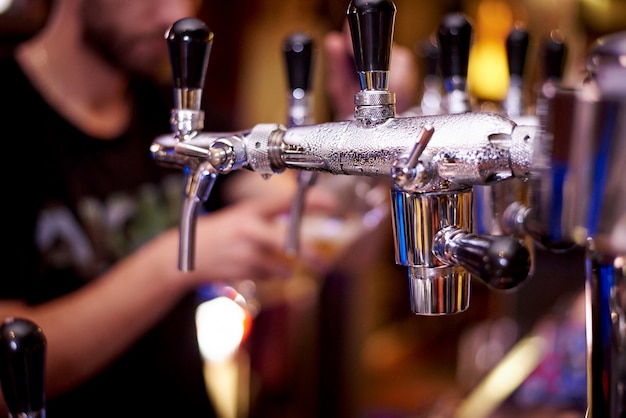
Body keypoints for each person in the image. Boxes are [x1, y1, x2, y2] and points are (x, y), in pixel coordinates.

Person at [0, 0, 338, 416]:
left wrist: (375, 148)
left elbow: (317, 222)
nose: (173, 15)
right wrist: (175, 262)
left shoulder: (172, 109)